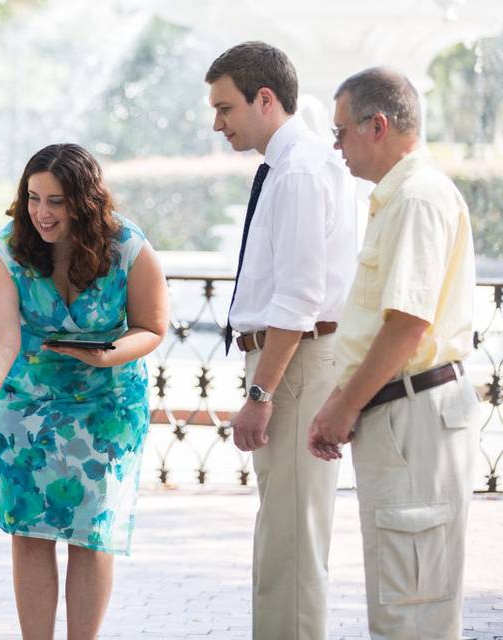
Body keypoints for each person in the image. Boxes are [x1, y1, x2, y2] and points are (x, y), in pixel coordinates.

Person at [0, 143, 169, 640]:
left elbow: (152, 327)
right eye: (33, 198)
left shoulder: (128, 245)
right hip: (25, 406)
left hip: (108, 404)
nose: (42, 212)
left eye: (55, 201)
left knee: (93, 535)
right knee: (30, 532)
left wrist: (108, 354)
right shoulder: (8, 248)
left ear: (84, 200)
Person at [309, 67, 479, 640]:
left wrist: (342, 407)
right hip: (404, 412)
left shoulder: (416, 197)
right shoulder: (402, 196)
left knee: (411, 606)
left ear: (376, 126)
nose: (338, 147)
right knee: (403, 593)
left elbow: (408, 323)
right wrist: (344, 398)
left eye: (341, 133)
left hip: (412, 411)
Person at [204, 41, 358, 639]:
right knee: (287, 535)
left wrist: (260, 393)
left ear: (264, 99)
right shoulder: (300, 163)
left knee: (290, 543)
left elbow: (298, 297)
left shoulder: (296, 170)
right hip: (292, 360)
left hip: (292, 364)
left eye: (225, 108)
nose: (218, 123)